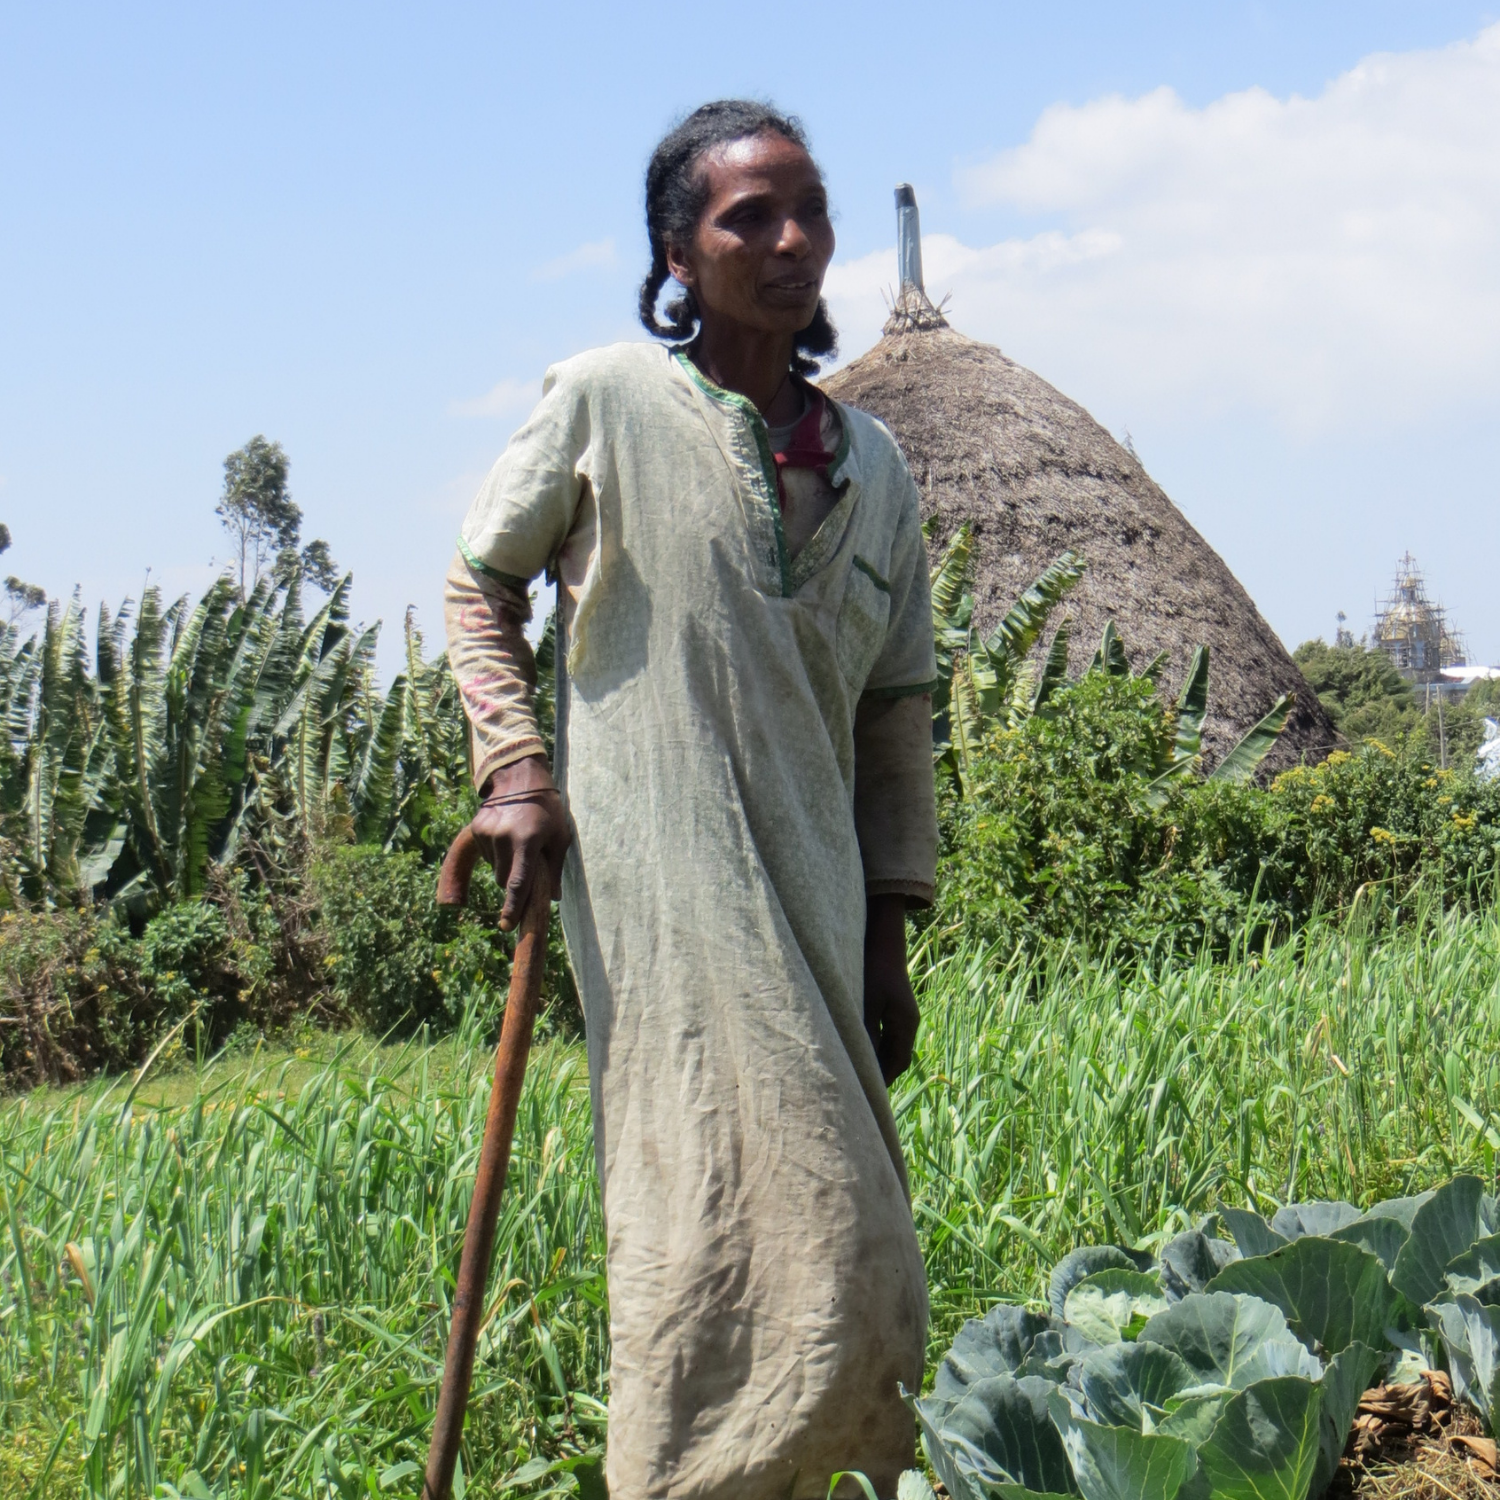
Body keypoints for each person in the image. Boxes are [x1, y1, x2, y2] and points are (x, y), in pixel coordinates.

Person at [445, 99, 937, 1500]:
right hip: (667, 887)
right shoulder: (608, 399)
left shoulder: (877, 469)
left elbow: (899, 710)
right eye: (746, 219)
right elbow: (478, 581)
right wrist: (517, 773)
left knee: (863, 1252)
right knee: (711, 1218)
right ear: (678, 250)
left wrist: (890, 929)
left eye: (808, 212)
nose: (789, 243)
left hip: (821, 898)